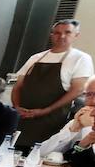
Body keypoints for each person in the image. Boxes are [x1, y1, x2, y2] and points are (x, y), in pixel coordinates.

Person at [12, 19, 93, 150]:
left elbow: (77, 90)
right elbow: (18, 86)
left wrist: (45, 111)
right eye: (57, 32)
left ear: (76, 35)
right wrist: (16, 107)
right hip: (23, 118)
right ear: (51, 34)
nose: (61, 36)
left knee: (39, 154)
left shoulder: (81, 58)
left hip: (52, 120)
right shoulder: (36, 57)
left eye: (67, 32)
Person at [34, 85, 95, 158]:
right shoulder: (81, 122)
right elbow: (40, 153)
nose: (93, 100)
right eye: (89, 94)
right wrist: (73, 129)